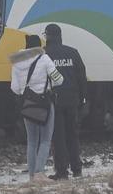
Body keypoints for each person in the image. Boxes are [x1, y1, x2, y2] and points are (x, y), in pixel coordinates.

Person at [9, 34, 63, 182]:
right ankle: (40, 173)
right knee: (46, 139)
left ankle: (32, 176)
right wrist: (46, 86)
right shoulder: (44, 58)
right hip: (45, 102)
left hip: (27, 104)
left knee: (32, 141)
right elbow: (59, 79)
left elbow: (14, 87)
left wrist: (26, 91)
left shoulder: (17, 62)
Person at [43, 23, 87, 180]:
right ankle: (77, 169)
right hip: (72, 100)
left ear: (47, 36)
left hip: (55, 101)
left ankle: (62, 171)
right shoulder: (72, 52)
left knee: (58, 136)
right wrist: (82, 97)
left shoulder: (45, 54)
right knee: (73, 135)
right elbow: (82, 77)